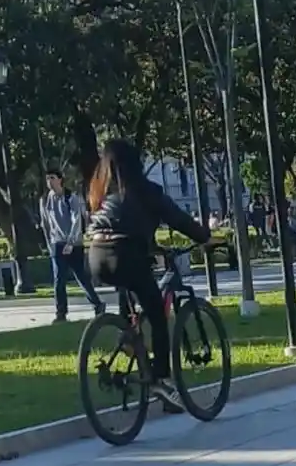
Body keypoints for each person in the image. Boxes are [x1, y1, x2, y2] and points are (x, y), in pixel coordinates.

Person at [87, 138, 211, 408]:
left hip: (97, 256)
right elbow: (178, 219)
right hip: (126, 255)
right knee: (157, 315)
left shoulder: (100, 192)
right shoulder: (146, 190)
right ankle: (161, 379)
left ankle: (128, 334)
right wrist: (204, 237)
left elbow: (124, 222)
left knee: (130, 288)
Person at [40, 168, 106, 323]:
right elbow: (45, 223)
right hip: (57, 243)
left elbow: (77, 220)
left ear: (60, 180)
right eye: (47, 178)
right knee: (59, 279)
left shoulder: (71, 198)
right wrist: (50, 243)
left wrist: (71, 242)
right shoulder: (45, 200)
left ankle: (97, 304)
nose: (50, 181)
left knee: (82, 277)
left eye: (52, 178)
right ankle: (61, 312)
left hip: (74, 244)